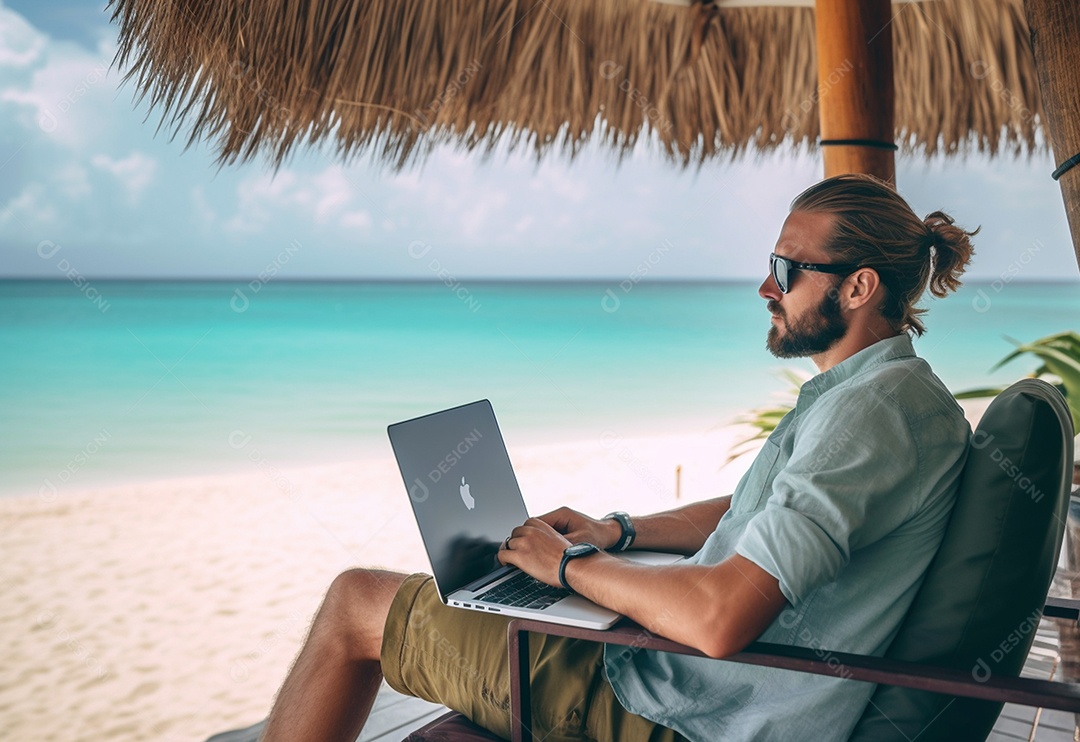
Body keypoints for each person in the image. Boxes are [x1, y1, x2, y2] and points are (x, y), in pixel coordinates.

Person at [260, 174, 977, 742]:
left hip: (681, 712)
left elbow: (720, 619)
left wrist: (569, 567)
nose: (765, 288)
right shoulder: (888, 395)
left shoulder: (869, 417)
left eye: (787, 269)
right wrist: (617, 534)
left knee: (356, 602)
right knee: (484, 589)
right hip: (692, 684)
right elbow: (748, 510)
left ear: (858, 287)